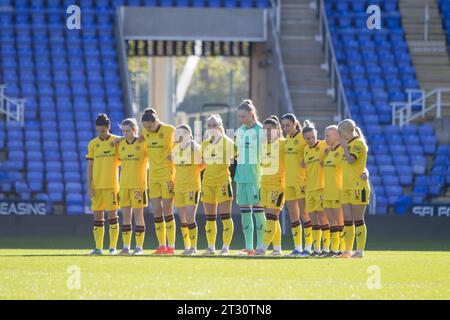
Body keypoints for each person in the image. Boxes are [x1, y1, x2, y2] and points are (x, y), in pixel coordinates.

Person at [140, 109, 177, 255]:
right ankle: (162, 245)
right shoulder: (145, 132)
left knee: (167, 211)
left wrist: (174, 154)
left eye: (149, 126)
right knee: (156, 211)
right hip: (153, 176)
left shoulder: (170, 130)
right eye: (145, 127)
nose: (147, 129)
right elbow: (136, 139)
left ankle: (172, 246)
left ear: (156, 122)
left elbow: (184, 141)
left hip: (167, 175)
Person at [86, 114, 121, 255]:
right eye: (98, 131)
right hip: (96, 186)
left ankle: (112, 248)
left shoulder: (116, 142)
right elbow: (89, 167)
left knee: (113, 217)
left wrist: (122, 139)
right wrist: (89, 186)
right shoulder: (93, 144)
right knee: (97, 217)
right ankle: (98, 248)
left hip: (112, 186)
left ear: (108, 127)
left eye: (103, 130)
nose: (100, 133)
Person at [234, 100, 265, 256]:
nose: (242, 120)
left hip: (255, 177)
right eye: (240, 117)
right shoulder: (239, 131)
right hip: (241, 177)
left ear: (252, 114)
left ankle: (261, 247)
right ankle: (249, 247)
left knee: (259, 212)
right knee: (245, 212)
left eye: (244, 116)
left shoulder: (261, 131)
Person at [201, 114, 235, 256]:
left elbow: (236, 160)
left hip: (222, 181)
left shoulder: (228, 143)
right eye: (209, 126)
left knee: (225, 216)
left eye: (214, 125)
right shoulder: (204, 144)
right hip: (207, 182)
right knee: (210, 217)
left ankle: (225, 247)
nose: (212, 128)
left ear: (220, 126)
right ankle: (210, 247)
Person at [280, 113, 313, 257]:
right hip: (289, 182)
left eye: (288, 125)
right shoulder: (287, 139)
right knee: (293, 215)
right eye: (284, 126)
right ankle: (297, 247)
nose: (286, 128)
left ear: (295, 123)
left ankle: (308, 247)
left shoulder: (302, 138)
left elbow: (314, 148)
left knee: (305, 215)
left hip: (302, 182)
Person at [338, 119, 370, 258]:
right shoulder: (348, 144)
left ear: (346, 131)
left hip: (358, 187)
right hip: (346, 186)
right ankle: (347, 250)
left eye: (341, 132)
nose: (340, 135)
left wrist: (344, 147)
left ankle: (360, 251)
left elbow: (351, 160)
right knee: (347, 219)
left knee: (358, 219)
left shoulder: (358, 144)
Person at [116, 118, 149, 255]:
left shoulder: (143, 144)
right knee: (125, 216)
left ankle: (139, 247)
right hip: (124, 185)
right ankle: (126, 247)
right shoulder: (119, 144)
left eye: (128, 130)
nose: (125, 133)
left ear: (135, 130)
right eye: (123, 131)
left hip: (138, 185)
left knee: (138, 215)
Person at [255, 116, 286, 256]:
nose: (266, 132)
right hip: (265, 185)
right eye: (264, 130)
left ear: (277, 130)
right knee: (272, 218)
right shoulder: (262, 145)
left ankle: (263, 247)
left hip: (277, 186)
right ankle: (277, 249)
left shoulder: (283, 144)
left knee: (271, 217)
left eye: (269, 130)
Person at [171, 124, 203, 255]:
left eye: (182, 134)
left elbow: (203, 163)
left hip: (192, 187)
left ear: (189, 135)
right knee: (182, 218)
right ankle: (187, 246)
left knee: (190, 217)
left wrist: (193, 172)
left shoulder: (195, 148)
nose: (179, 136)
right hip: (178, 187)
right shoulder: (175, 149)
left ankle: (194, 247)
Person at [300, 120, 330, 258]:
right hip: (309, 189)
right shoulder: (305, 150)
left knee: (324, 219)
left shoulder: (324, 145)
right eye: (308, 138)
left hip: (322, 188)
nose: (311, 140)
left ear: (316, 134)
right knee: (313, 221)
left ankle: (326, 248)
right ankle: (316, 248)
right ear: (304, 139)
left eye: (313, 137)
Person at [322, 125, 344, 258]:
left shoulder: (342, 150)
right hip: (327, 191)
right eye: (325, 136)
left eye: (328, 136)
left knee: (340, 221)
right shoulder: (329, 151)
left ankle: (343, 249)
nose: (325, 138)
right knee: (331, 222)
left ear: (337, 136)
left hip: (338, 191)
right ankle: (334, 249)